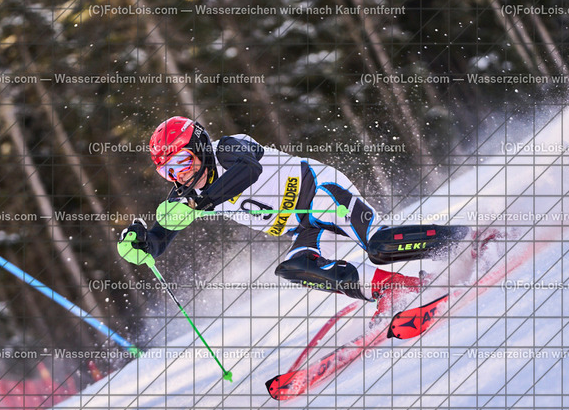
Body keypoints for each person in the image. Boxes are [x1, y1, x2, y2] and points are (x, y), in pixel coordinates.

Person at [118, 116, 468, 314]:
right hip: (304, 227)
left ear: (199, 147)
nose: (179, 176)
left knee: (378, 246)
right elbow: (160, 239)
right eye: (167, 172)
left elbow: (249, 170)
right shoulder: (187, 197)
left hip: (323, 193)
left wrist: (204, 201)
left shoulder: (227, 149)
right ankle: (394, 290)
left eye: (182, 162)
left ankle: (464, 239)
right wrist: (142, 245)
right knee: (294, 266)